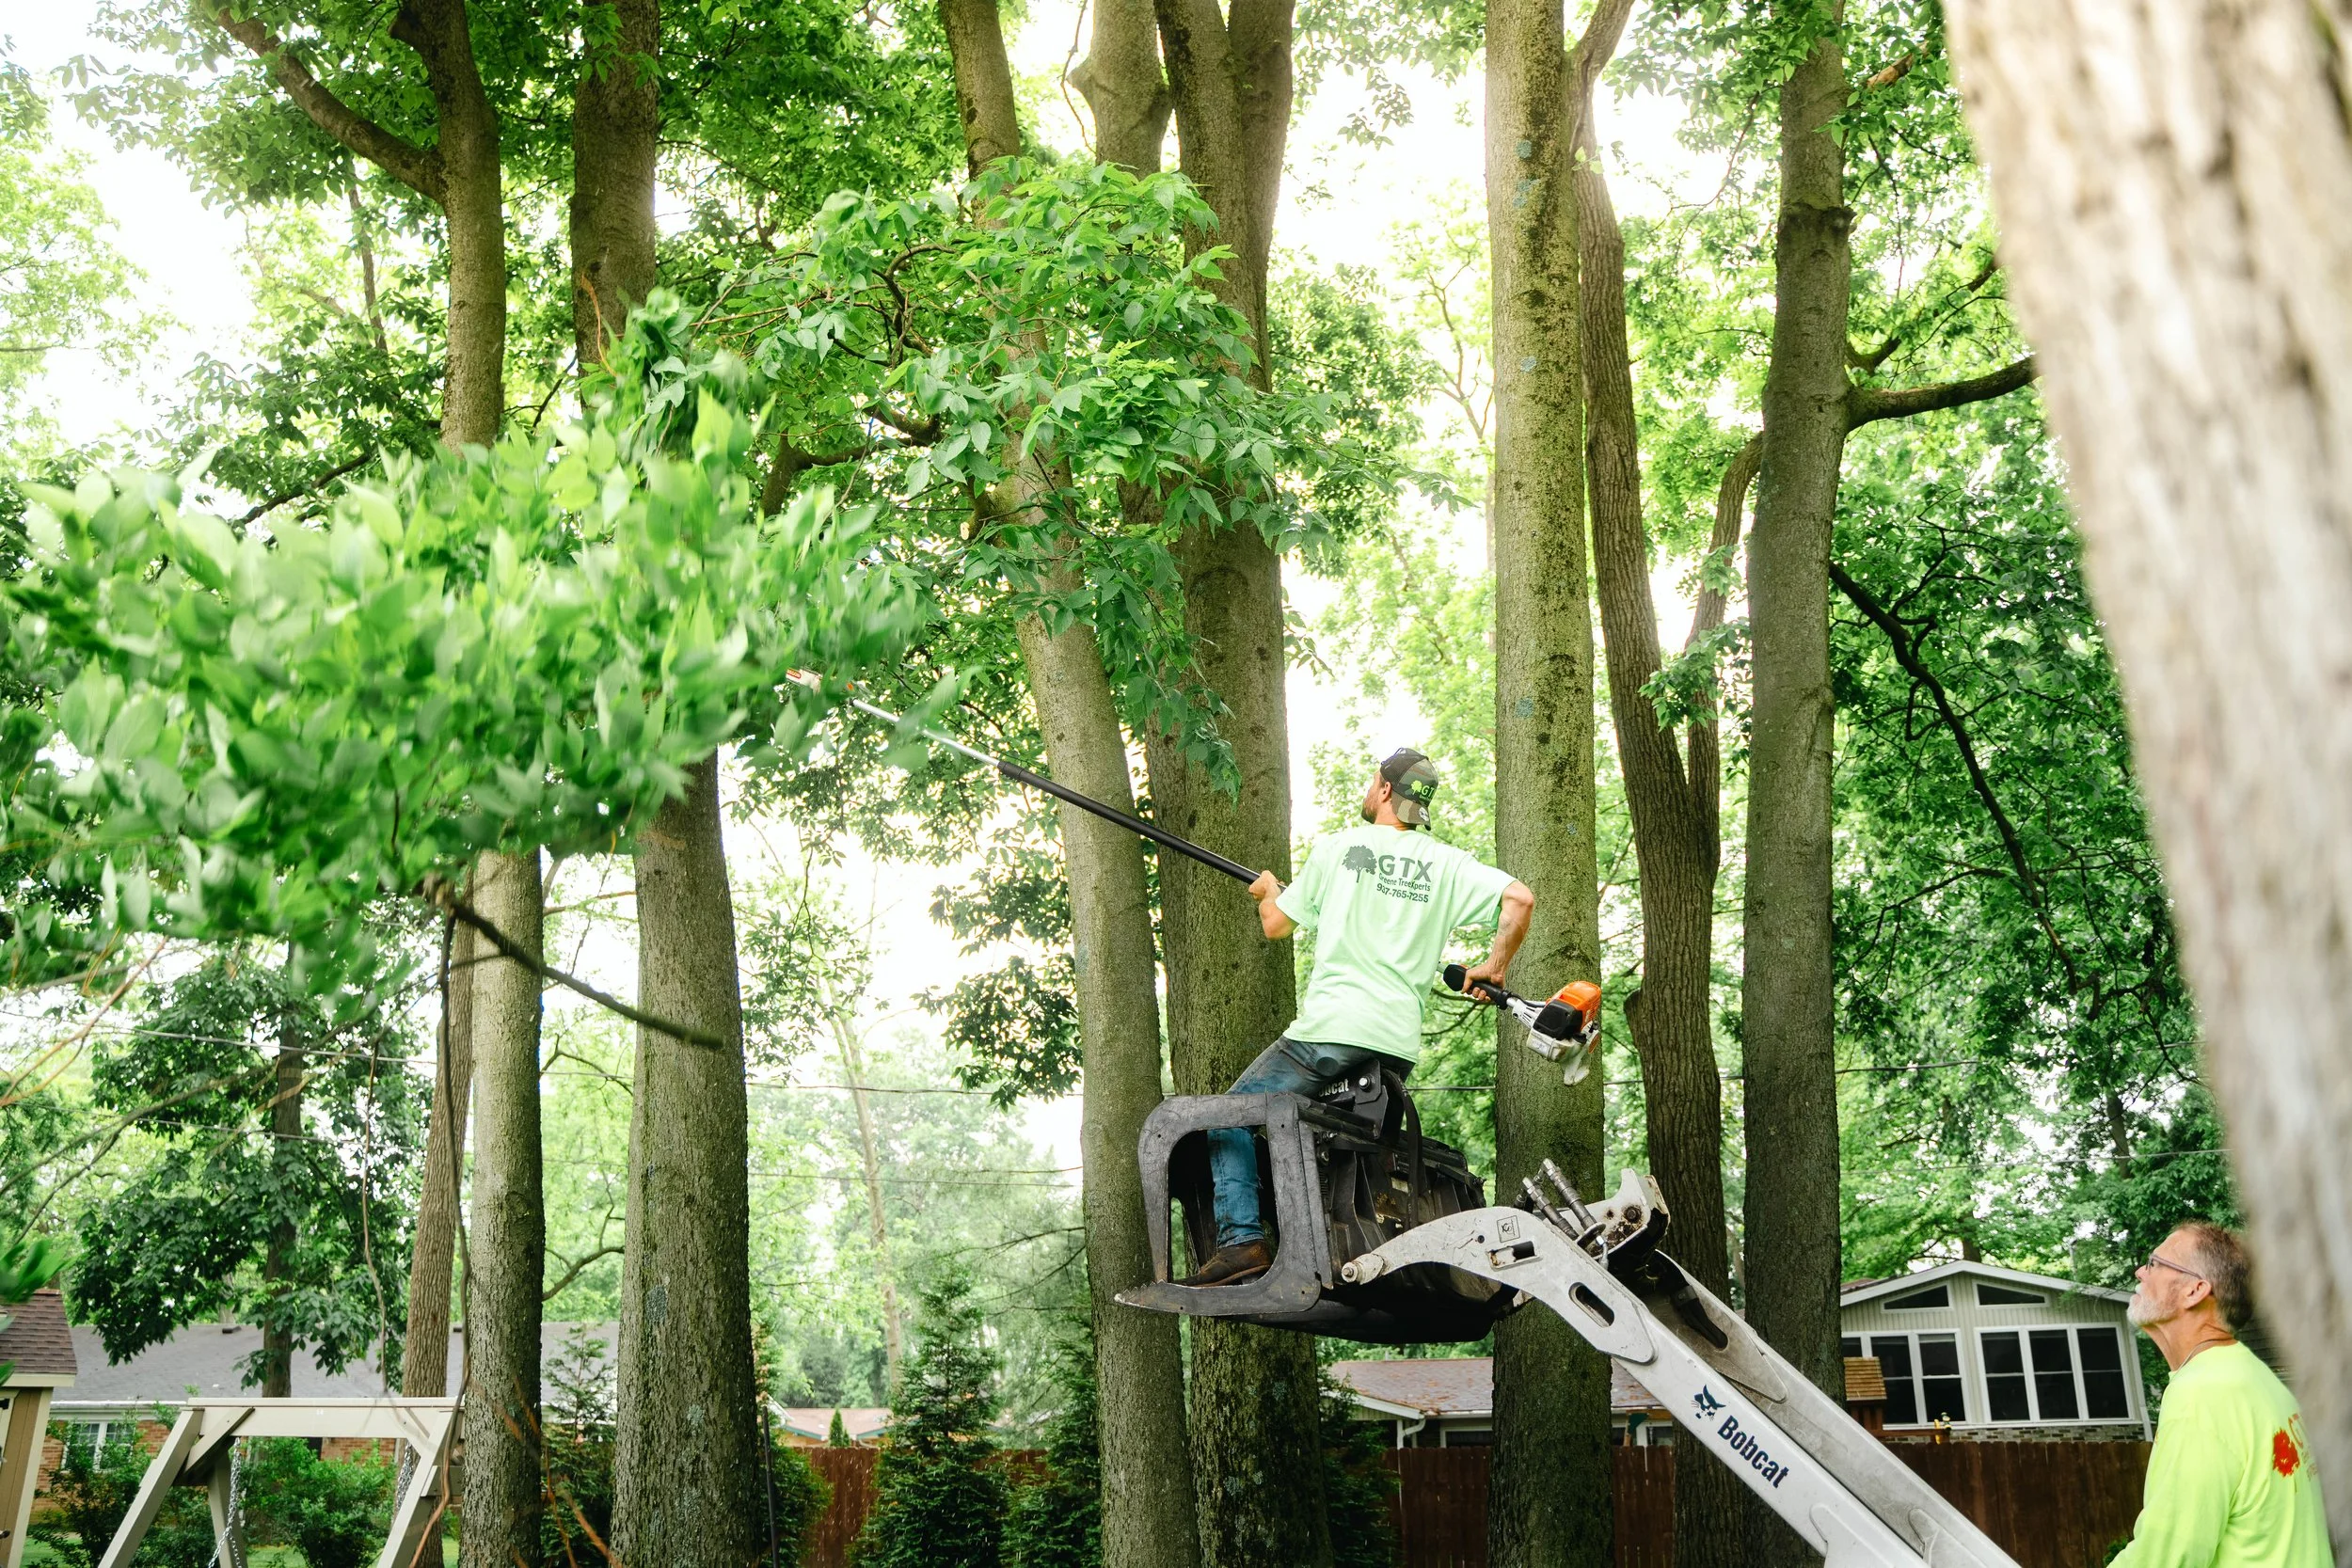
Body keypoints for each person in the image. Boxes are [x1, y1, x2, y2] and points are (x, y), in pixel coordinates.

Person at [1179, 748, 1534, 1287]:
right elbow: (1520, 899)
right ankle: (1333, 1254)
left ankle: (1242, 1242)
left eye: (1374, 782)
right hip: (1394, 1048)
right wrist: (1495, 966)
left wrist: (1269, 893)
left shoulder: (1341, 848)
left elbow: (1276, 924)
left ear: (1385, 789)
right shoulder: (1447, 864)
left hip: (1329, 1033)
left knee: (1229, 1116)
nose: (1370, 791)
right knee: (1325, 1145)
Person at [2110, 1220, 2330, 1568]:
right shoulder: (2258, 1380)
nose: (2140, 1272)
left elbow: (2167, 1557)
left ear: (2195, 1290)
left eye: (2155, 1263)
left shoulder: (2202, 1397)